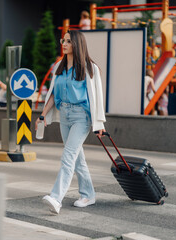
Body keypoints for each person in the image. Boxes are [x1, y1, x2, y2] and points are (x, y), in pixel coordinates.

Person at [35, 30, 106, 214]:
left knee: (68, 157)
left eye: (68, 41)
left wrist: (99, 124)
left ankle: (56, 198)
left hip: (81, 117)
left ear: (77, 43)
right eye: (63, 40)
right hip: (64, 116)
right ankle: (88, 194)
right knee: (77, 159)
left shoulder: (90, 68)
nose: (63, 44)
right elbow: (52, 94)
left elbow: (96, 98)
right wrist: (42, 115)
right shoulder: (59, 66)